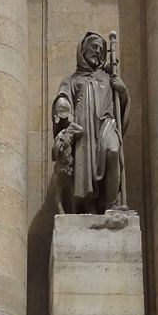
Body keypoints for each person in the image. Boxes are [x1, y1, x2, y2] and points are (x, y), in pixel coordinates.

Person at [52, 31, 129, 214]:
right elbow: (63, 97)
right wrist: (63, 103)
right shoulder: (72, 80)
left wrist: (123, 91)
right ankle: (89, 205)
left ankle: (111, 203)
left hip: (106, 124)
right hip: (84, 130)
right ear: (83, 50)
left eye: (101, 49)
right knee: (85, 171)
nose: (98, 51)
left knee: (113, 150)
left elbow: (122, 108)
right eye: (94, 47)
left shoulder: (108, 78)